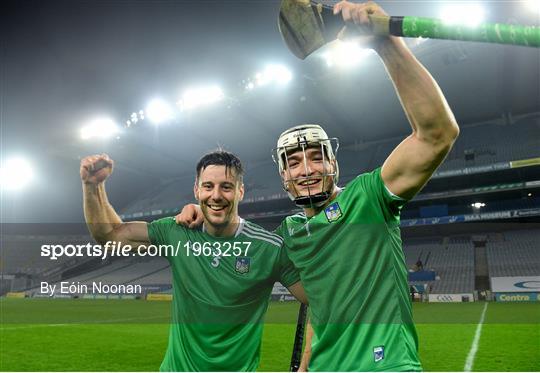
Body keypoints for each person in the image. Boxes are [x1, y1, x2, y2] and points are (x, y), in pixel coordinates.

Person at [176, 1, 459, 370]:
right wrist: (199, 213)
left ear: (333, 162)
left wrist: (384, 44)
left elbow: (437, 134)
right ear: (283, 177)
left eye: (315, 156)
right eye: (293, 162)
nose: (306, 169)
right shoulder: (289, 235)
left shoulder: (369, 198)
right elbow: (318, 300)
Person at [80, 150, 307, 372]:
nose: (216, 195)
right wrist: (92, 187)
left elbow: (321, 302)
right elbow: (109, 235)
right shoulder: (176, 232)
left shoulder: (269, 248)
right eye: (208, 186)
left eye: (226, 187)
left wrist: (306, 364)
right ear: (197, 190)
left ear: (241, 191)